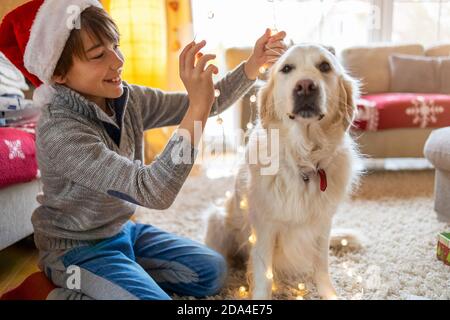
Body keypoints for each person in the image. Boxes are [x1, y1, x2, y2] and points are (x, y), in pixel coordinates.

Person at [0, 0, 286, 299]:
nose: (117, 60)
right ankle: (52, 293)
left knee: (210, 271)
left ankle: (119, 278)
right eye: (98, 54)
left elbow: (205, 103)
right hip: (77, 252)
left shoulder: (128, 98)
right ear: (58, 74)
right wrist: (197, 109)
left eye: (115, 45)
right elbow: (153, 190)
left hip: (122, 231)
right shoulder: (60, 132)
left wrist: (253, 65)